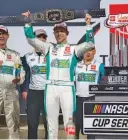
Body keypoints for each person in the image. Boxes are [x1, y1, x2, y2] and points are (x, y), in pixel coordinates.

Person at [22, 10, 95, 139]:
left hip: (67, 89)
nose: (59, 33)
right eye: (56, 31)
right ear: (54, 34)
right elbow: (31, 39)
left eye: (62, 31)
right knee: (51, 124)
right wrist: (28, 23)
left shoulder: (74, 49)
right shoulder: (48, 47)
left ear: (67, 33)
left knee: (69, 122)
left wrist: (88, 25)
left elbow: (89, 44)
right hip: (50, 88)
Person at [20, 28, 48, 139]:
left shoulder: (52, 55)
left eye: (43, 37)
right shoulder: (27, 57)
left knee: (50, 123)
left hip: (49, 92)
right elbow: (25, 75)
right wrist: (24, 89)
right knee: (32, 123)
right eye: (38, 37)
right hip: (34, 93)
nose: (41, 39)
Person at [74, 48, 104, 139]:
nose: (88, 52)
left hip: (92, 99)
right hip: (78, 99)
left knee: (91, 126)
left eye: (90, 50)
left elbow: (104, 83)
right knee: (76, 124)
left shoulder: (100, 65)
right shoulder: (76, 65)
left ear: (94, 51)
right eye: (85, 50)